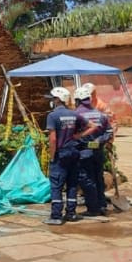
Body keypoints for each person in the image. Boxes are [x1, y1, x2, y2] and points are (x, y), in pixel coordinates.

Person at [45, 86, 96, 225]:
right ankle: (71, 213)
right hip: (74, 153)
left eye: (54, 98)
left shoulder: (52, 116)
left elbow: (53, 139)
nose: (52, 101)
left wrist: (51, 155)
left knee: (56, 184)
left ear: (58, 100)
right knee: (72, 183)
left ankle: (56, 216)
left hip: (61, 154)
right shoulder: (74, 114)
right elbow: (93, 126)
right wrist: (77, 136)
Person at [74, 86, 112, 217]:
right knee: (98, 178)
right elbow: (109, 132)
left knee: (87, 179)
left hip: (84, 152)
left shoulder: (77, 115)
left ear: (77, 100)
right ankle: (101, 204)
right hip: (98, 152)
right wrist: (99, 141)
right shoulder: (101, 115)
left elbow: (72, 134)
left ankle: (93, 208)